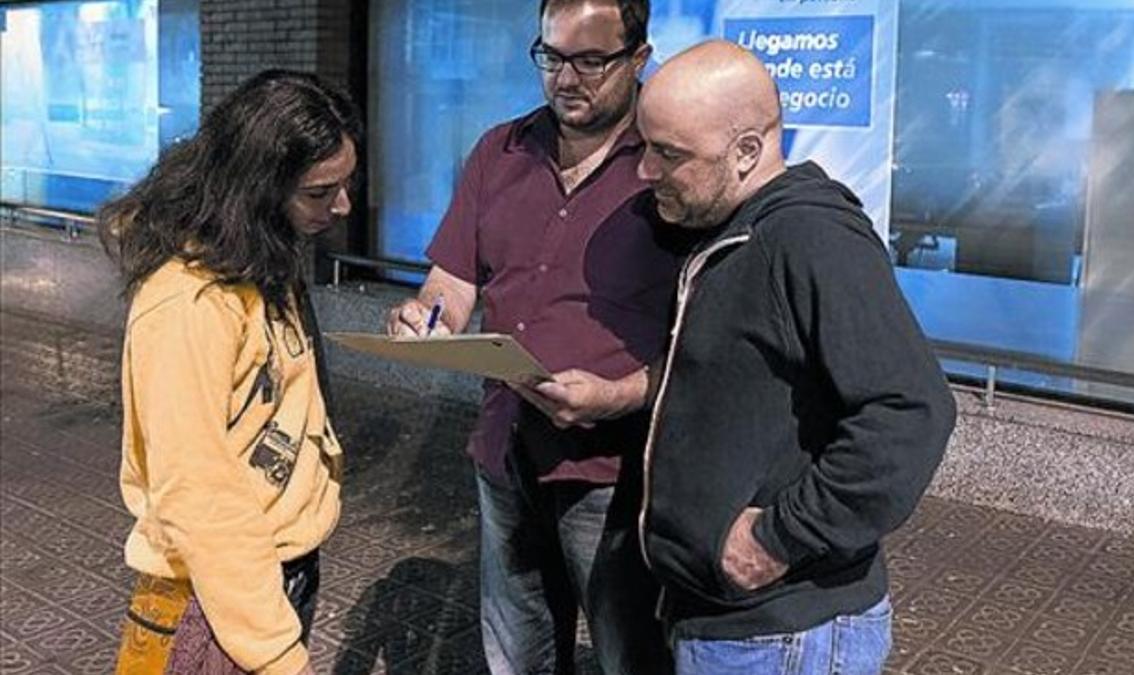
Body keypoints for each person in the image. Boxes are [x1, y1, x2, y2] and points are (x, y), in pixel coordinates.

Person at [632, 41, 958, 674]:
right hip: (733, 621)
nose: (645, 171)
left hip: (783, 635)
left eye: (668, 154)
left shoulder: (812, 239)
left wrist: (778, 538)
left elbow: (911, 411)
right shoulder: (732, 228)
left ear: (748, 151)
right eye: (645, 146)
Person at [386, 1, 682, 672]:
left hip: (616, 471)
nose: (566, 79)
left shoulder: (669, 163)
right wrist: (426, 317)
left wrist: (621, 394)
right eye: (551, 57)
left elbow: (711, 334)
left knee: (629, 654)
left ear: (639, 59)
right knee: (518, 654)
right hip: (506, 447)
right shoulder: (501, 150)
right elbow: (451, 281)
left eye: (590, 61)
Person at [100, 69, 361, 675]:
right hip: (210, 596)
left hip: (271, 573)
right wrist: (277, 653)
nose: (342, 207)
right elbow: (198, 492)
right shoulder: (187, 304)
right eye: (320, 192)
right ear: (256, 188)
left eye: (347, 184)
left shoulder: (260, 256)